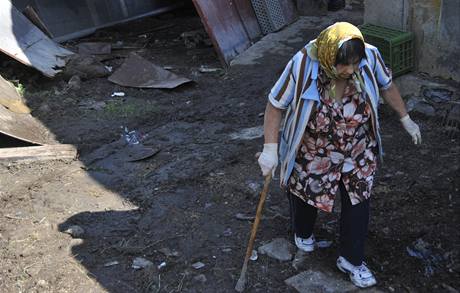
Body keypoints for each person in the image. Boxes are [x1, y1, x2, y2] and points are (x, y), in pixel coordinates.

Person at [257, 22, 421, 288]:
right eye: (342, 65)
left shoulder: (370, 56)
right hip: (313, 146)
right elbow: (275, 105)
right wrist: (269, 150)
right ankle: (303, 233)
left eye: (354, 63)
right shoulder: (301, 63)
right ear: (326, 56)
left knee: (358, 200)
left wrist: (406, 119)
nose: (350, 70)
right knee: (306, 192)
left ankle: (351, 259)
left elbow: (387, 86)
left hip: (357, 146)